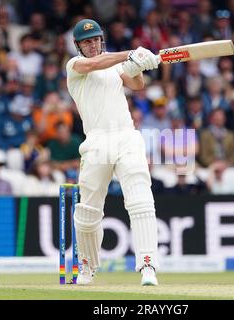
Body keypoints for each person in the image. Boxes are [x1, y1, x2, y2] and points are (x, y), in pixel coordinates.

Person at [66, 19, 160, 286]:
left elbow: (137, 84)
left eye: (96, 39)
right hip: (96, 142)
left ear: (101, 40)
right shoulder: (75, 66)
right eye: (87, 41)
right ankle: (87, 267)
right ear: (78, 46)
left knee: (140, 199)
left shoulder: (116, 64)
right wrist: (131, 53)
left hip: (126, 137)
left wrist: (138, 65)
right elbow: (95, 64)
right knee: (87, 212)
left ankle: (147, 265)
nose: (93, 44)